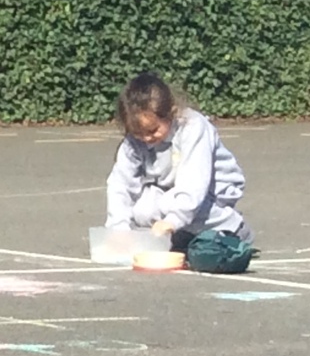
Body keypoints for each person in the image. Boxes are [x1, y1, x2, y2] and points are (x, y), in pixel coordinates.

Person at [104, 72, 251, 252]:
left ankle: (233, 227)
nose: (146, 138)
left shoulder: (193, 126)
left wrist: (173, 221)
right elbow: (120, 184)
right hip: (171, 190)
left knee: (173, 205)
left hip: (215, 190)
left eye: (153, 130)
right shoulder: (133, 143)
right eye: (138, 133)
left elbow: (194, 183)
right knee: (143, 210)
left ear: (171, 113)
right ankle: (184, 234)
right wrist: (118, 229)